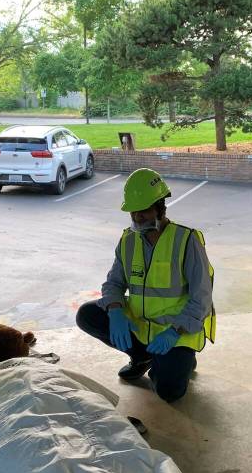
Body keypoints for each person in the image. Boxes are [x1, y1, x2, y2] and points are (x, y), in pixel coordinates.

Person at [75, 168, 215, 403]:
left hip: (174, 332)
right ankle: (142, 357)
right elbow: (113, 283)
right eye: (134, 213)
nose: (138, 218)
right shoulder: (128, 240)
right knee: (87, 314)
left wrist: (174, 331)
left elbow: (202, 298)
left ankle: (181, 359)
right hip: (140, 325)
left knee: (169, 392)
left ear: (161, 207)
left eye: (145, 212)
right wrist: (116, 310)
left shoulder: (186, 240)